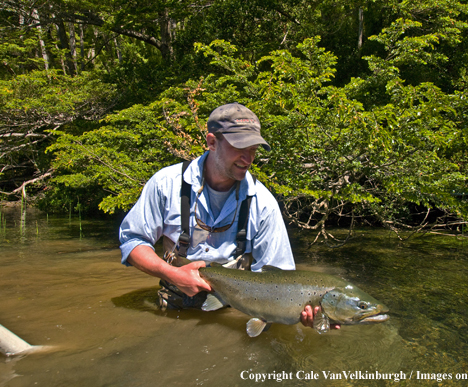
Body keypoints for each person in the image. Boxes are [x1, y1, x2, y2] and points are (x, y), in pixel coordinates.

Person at [118, 102, 329, 329]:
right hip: (173, 305)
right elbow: (133, 241)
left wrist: (299, 311)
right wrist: (172, 274)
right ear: (211, 142)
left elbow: (281, 280)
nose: (248, 159)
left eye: (253, 150)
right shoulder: (166, 184)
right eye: (240, 148)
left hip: (233, 313)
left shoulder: (263, 203)